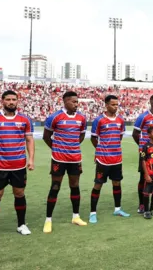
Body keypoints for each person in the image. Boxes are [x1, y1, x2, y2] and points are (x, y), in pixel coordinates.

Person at [0, 90, 35, 242]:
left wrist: (31, 159)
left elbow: (29, 140)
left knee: (19, 194)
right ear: (2, 101)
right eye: (8, 99)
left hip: (18, 165)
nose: (11, 102)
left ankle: (21, 225)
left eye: (14, 99)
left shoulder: (25, 119)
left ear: (18, 101)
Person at [42, 91, 87, 234]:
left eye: (77, 102)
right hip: (59, 159)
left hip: (75, 158)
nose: (76, 104)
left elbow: (82, 135)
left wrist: (72, 147)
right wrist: (58, 148)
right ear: (65, 101)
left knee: (75, 185)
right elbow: (46, 136)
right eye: (73, 102)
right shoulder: (54, 117)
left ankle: (76, 216)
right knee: (55, 187)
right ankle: (48, 220)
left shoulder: (81, 117)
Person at [89, 95, 130, 223]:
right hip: (103, 159)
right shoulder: (99, 120)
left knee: (117, 183)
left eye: (117, 104)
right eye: (113, 104)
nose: (116, 107)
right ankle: (92, 213)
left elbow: (120, 137)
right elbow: (93, 138)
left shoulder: (120, 120)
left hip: (117, 158)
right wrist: (102, 150)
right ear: (106, 105)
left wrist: (114, 148)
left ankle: (117, 209)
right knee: (98, 184)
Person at [132, 95, 153, 214]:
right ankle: (142, 204)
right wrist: (143, 148)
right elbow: (135, 133)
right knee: (144, 179)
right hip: (146, 154)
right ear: (151, 103)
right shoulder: (143, 116)